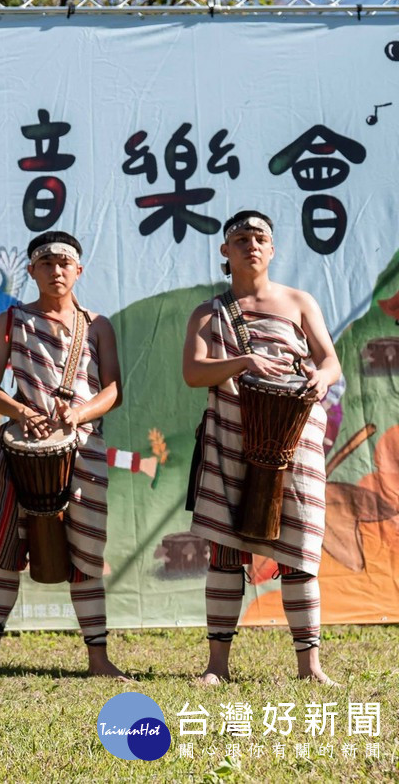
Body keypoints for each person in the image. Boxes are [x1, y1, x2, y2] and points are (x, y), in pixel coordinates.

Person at [182, 210, 339, 685]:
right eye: (241, 238)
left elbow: (330, 361)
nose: (252, 244)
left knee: (299, 547)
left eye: (261, 238)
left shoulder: (298, 301)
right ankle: (216, 667)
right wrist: (243, 360)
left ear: (273, 250)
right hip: (231, 432)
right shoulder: (208, 312)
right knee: (226, 549)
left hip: (296, 436)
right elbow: (193, 372)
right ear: (225, 253)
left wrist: (320, 377)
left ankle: (310, 667)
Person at [0, 231, 128, 680]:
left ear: (78, 271)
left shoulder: (97, 325)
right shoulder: (11, 320)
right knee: (5, 550)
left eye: (64, 263)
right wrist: (21, 411)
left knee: (88, 552)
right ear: (32, 270)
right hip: (23, 451)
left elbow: (112, 388)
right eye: (46, 263)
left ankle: (98, 659)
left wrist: (78, 413)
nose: (56, 271)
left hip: (85, 449)